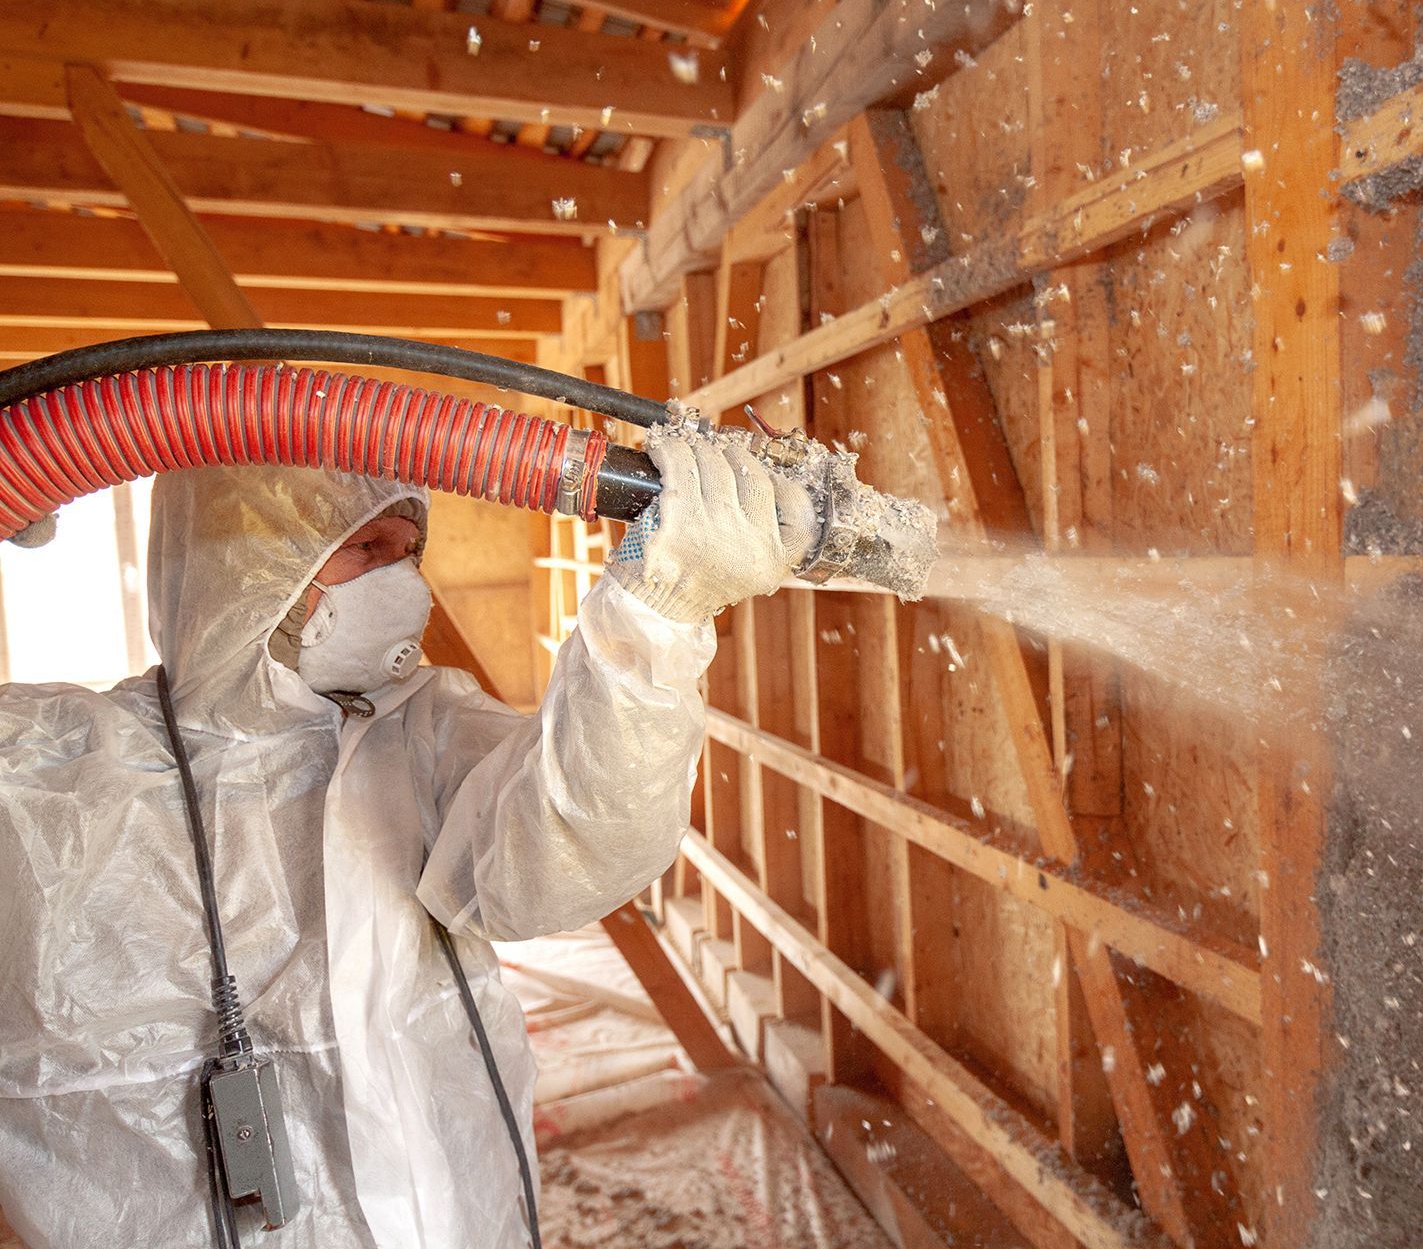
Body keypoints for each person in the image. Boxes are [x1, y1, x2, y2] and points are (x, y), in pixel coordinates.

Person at [0, 425, 817, 1248]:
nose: (401, 582)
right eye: (366, 548)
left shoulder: (420, 729)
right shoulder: (54, 771)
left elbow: (569, 849)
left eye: (409, 551)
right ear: (243, 564)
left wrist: (655, 624)